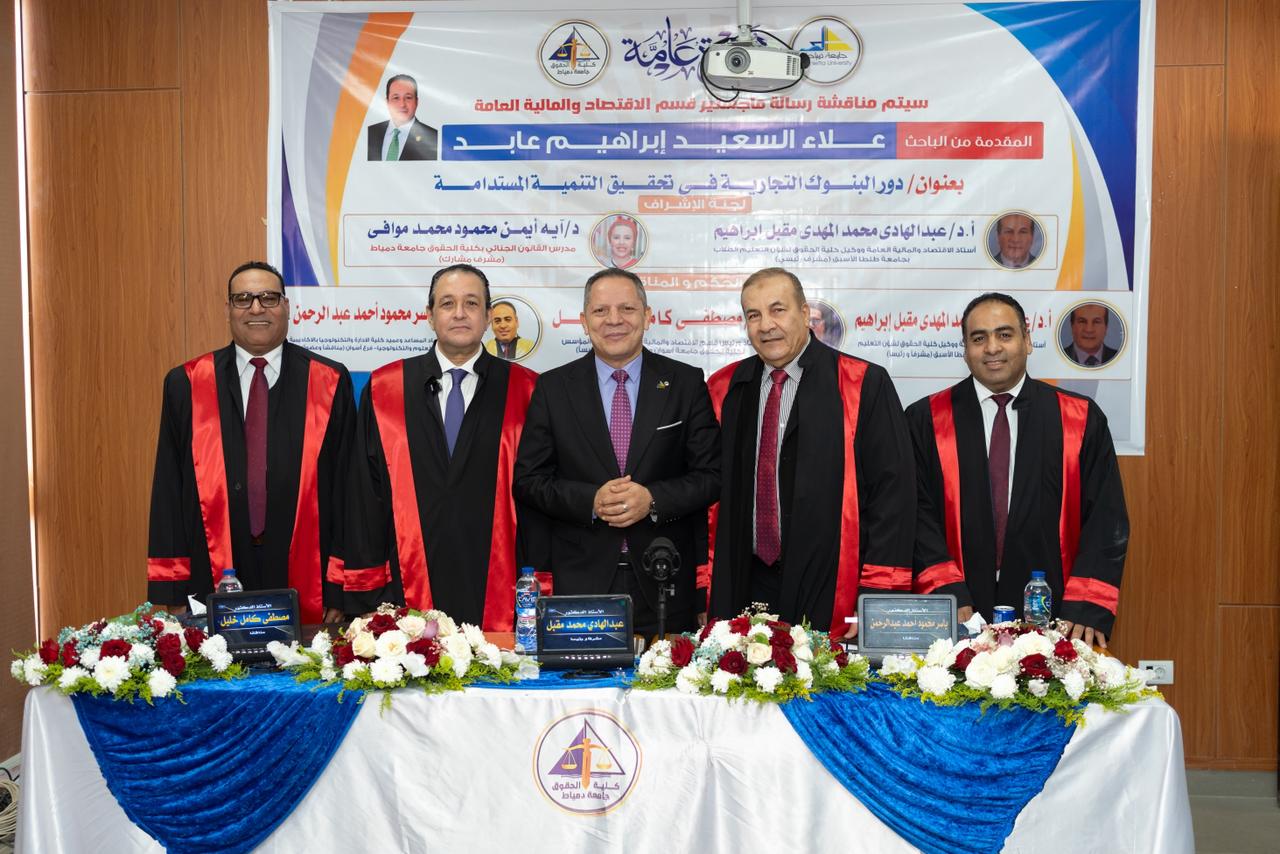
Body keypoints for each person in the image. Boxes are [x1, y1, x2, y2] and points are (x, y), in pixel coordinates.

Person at [907, 293, 1128, 647]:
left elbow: (1106, 517)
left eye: (1005, 334)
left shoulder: (1079, 418)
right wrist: (945, 591)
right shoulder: (926, 420)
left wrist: (1086, 604)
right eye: (979, 338)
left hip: (1055, 614)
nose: (992, 348)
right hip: (957, 611)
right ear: (965, 349)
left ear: (1027, 340)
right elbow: (914, 514)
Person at [706, 268, 915, 636]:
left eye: (778, 310)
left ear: (804, 314)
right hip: (743, 580)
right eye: (753, 315)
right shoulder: (725, 388)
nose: (766, 325)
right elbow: (707, 496)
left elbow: (893, 498)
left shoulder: (862, 383)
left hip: (832, 583)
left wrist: (877, 597)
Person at [514, 268, 720, 637]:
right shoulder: (553, 388)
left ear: (647, 316)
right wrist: (591, 501)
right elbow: (529, 481)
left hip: (664, 579)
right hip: (580, 582)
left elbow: (712, 476)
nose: (614, 320)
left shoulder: (685, 383)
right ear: (584, 321)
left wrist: (652, 499)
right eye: (600, 310)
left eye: (626, 308)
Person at [146, 261, 356, 624]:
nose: (256, 308)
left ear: (287, 307)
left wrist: (341, 588)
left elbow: (348, 491)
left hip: (309, 572)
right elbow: (169, 488)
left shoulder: (329, 381)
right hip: (211, 569)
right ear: (228, 309)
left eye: (268, 298)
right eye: (243, 299)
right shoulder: (188, 383)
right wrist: (172, 591)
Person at [337, 264, 538, 628]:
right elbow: (364, 498)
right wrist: (365, 594)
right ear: (429, 316)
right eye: (447, 303)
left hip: (504, 596)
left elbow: (541, 501)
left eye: (471, 303)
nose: (460, 313)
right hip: (404, 594)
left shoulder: (527, 391)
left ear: (488, 317)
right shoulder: (385, 389)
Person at [367, 74, 438, 161]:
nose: (402, 104)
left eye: (408, 98)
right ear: (387, 102)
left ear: (417, 102)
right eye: (396, 98)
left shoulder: (433, 137)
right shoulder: (370, 133)